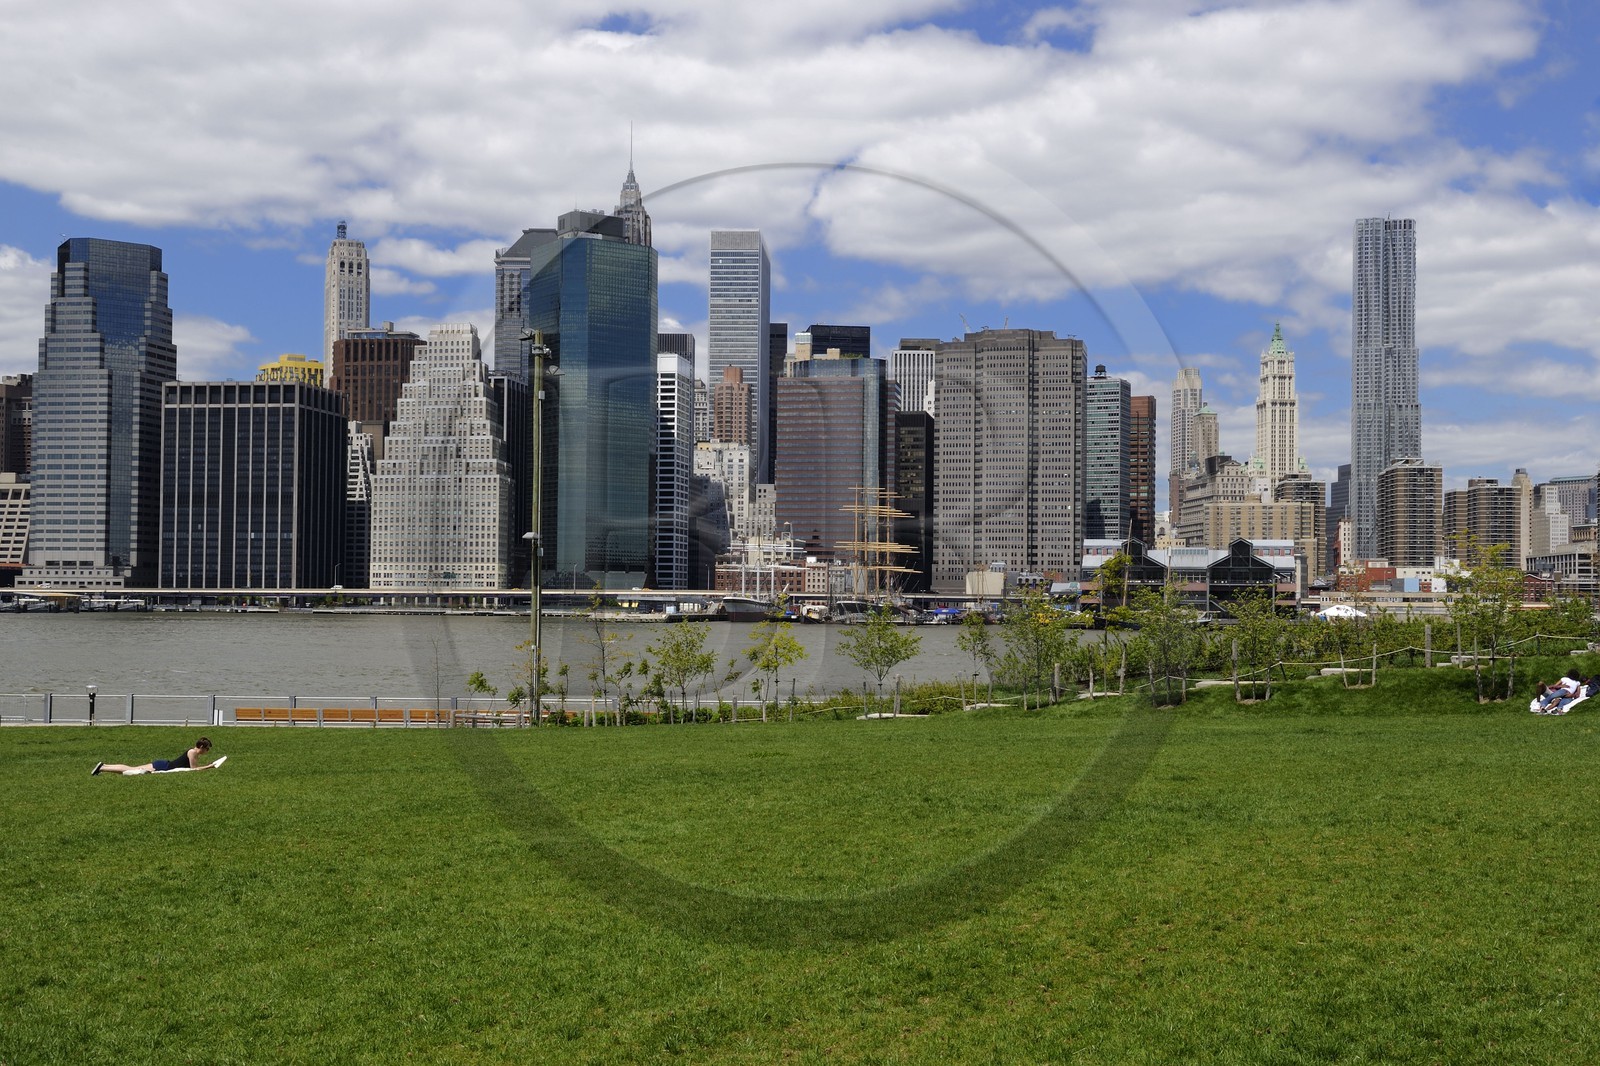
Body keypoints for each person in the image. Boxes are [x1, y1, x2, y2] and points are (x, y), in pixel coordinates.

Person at [92, 737, 225, 776]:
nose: (207, 751)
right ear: (202, 747)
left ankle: (104, 767)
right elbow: (193, 770)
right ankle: (103, 767)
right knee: (130, 770)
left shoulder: (192, 752)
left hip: (163, 764)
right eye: (207, 749)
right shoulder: (193, 753)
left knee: (131, 769)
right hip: (164, 767)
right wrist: (210, 766)